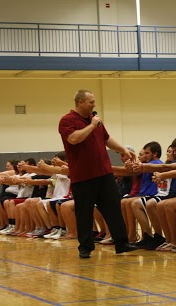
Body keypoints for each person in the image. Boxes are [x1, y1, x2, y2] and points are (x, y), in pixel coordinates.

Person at [58, 89, 137, 258]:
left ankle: (121, 243)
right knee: (84, 213)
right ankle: (85, 247)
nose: (94, 105)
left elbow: (106, 139)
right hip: (83, 176)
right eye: (91, 102)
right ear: (80, 102)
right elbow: (74, 139)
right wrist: (92, 125)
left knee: (113, 208)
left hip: (104, 173)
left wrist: (123, 149)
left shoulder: (95, 121)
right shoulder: (67, 120)